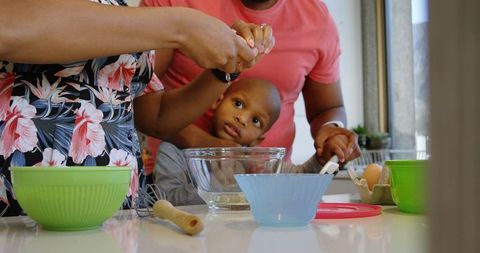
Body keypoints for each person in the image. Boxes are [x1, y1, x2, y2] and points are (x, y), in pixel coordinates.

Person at [0, 0, 274, 216]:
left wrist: (223, 72)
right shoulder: (142, 21)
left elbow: (154, 116)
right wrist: (182, 26)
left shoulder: (117, 9)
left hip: (116, 215)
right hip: (17, 213)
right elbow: (8, 29)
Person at [141, 0, 361, 177]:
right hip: (173, 182)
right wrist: (209, 147)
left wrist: (332, 131)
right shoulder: (170, 4)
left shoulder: (317, 18)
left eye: (256, 120)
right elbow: (131, 95)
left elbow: (327, 108)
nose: (243, 119)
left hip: (269, 187)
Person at [153, 78, 330, 206]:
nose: (242, 118)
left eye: (255, 121)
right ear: (217, 102)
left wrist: (321, 159)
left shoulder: (255, 162)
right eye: (238, 103)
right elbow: (167, 199)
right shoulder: (174, 151)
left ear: (257, 140)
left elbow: (298, 178)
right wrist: (217, 185)